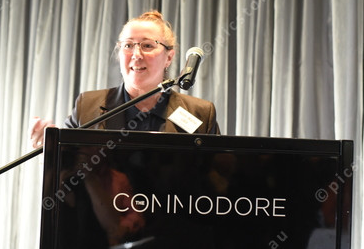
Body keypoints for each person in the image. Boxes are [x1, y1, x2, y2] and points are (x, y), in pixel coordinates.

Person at [29, 10, 220, 147]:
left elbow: (218, 179)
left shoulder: (200, 113)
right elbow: (67, 175)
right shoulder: (87, 106)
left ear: (169, 57)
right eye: (128, 45)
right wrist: (49, 148)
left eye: (147, 45)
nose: (136, 55)